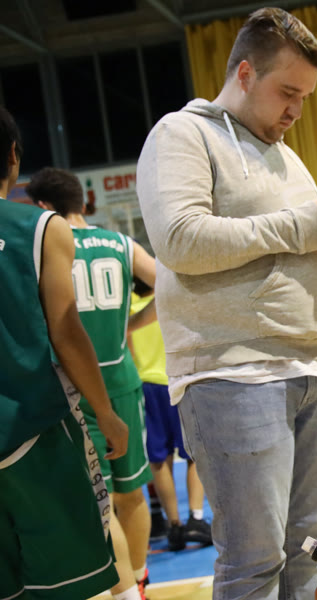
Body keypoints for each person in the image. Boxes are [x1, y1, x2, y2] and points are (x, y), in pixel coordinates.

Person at [135, 7, 317, 599]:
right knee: (253, 560)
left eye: (305, 97)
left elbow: (288, 248)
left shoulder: (287, 155)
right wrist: (299, 227)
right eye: (287, 92)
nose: (296, 110)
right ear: (244, 73)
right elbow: (180, 240)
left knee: (308, 553)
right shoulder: (181, 135)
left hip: (314, 369)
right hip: (233, 375)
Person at [0, 106, 127, 600]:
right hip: (36, 431)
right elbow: (66, 333)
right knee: (68, 584)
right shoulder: (41, 228)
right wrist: (105, 412)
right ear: (13, 157)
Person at [27, 167, 157, 600]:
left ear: (43, 207)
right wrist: (132, 324)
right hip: (122, 382)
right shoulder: (121, 243)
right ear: (81, 201)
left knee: (100, 504)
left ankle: (124, 593)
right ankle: (139, 582)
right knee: (132, 493)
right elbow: (171, 287)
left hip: (74, 390)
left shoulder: (45, 247)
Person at [130, 279, 213, 551]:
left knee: (159, 459)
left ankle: (174, 526)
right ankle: (196, 519)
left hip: (145, 387)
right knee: (193, 454)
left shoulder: (129, 309)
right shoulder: (169, 300)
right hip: (177, 382)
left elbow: (128, 351)